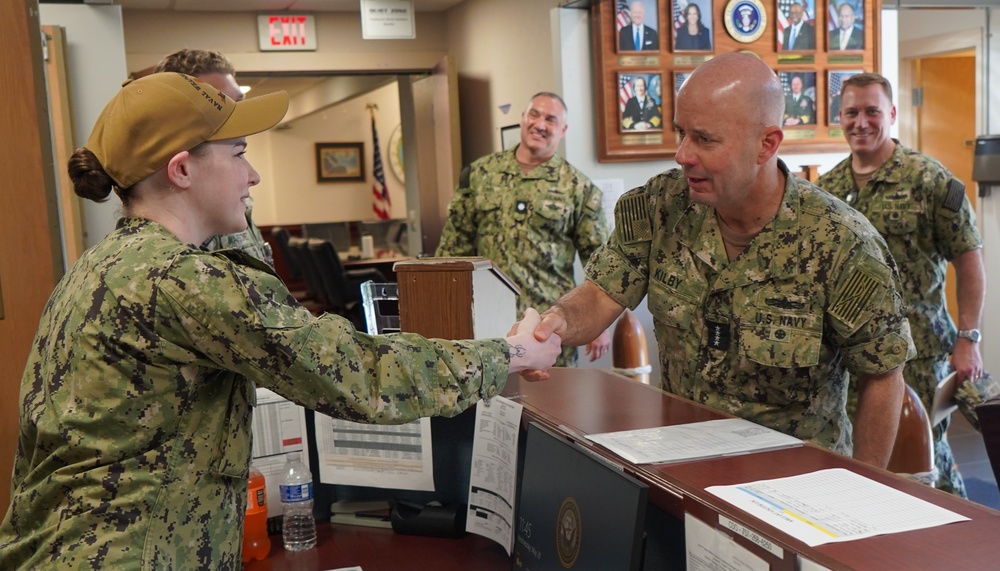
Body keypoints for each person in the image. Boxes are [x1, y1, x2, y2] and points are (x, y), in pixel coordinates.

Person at [0, 72, 562, 569]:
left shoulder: (105, 263)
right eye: (238, 153)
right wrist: (510, 353)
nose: (253, 175)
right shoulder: (182, 280)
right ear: (181, 169)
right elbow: (355, 374)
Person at [524, 53, 916, 469]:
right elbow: (602, 294)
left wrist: (864, 484)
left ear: (766, 144)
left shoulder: (842, 243)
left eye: (705, 139)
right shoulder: (659, 208)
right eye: (681, 133)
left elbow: (882, 374)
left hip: (791, 485)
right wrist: (558, 323)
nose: (682, 154)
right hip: (681, 468)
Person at [816, 72, 985, 496]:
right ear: (840, 117)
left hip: (920, 352)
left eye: (872, 111)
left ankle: (954, 541)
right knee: (860, 453)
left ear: (891, 113)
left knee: (926, 454)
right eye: (851, 112)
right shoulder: (827, 189)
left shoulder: (930, 181)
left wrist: (969, 337)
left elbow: (968, 258)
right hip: (850, 356)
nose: (861, 122)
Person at [436, 92, 611, 367]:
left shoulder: (579, 188)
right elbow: (453, 247)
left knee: (553, 406)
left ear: (563, 130)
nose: (540, 124)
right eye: (534, 114)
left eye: (550, 119)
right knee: (489, 407)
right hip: (486, 326)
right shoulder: (480, 174)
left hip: (550, 328)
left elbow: (601, 264)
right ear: (522, 119)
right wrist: (444, 311)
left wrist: (598, 323)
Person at [154, 48, 274, 267]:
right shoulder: (180, 228)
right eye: (221, 104)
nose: (237, 115)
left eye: (238, 102)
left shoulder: (234, 201)